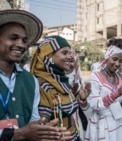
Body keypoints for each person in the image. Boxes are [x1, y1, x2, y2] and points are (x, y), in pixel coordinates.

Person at [0, 9, 69, 140]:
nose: (21, 44)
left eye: (24, 40)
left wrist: (45, 133)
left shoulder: (30, 80)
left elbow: (33, 121)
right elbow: (24, 132)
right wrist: (18, 134)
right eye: (13, 38)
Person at [30, 35, 89, 141]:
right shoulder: (43, 86)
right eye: (65, 53)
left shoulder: (62, 81)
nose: (71, 57)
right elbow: (43, 125)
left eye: (71, 53)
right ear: (48, 57)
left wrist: (80, 98)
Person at [66, 48, 90, 140]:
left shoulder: (78, 80)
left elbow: (84, 107)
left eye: (72, 61)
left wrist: (83, 99)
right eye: (67, 60)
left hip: (76, 119)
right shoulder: (55, 78)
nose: (69, 64)